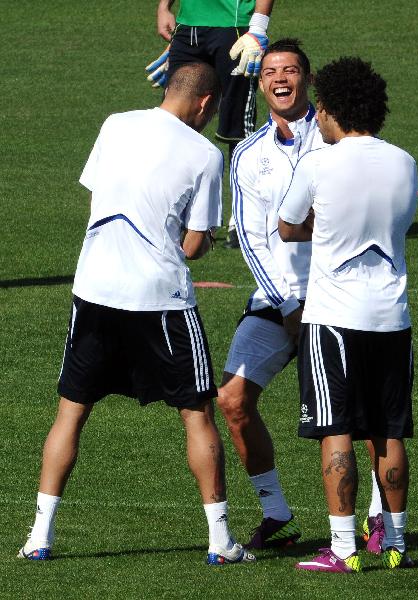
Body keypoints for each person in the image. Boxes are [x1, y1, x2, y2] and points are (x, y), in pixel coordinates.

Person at [17, 62, 255, 567]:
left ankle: (40, 535)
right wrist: (201, 238)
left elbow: (98, 194)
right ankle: (219, 541)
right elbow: (193, 246)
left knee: (71, 411)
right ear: (207, 104)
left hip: (95, 289)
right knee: (197, 414)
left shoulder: (115, 124)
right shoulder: (206, 155)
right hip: (160, 300)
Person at [218, 39, 383, 551]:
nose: (280, 78)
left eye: (290, 69)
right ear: (260, 83)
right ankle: (277, 513)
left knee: (365, 411)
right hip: (278, 302)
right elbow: (250, 236)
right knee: (232, 400)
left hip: (340, 298)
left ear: (308, 81)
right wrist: (288, 306)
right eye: (270, 71)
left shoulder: (339, 140)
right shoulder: (248, 154)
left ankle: (379, 517)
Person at [278, 56, 418, 572]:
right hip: (392, 317)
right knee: (390, 429)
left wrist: (325, 224)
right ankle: (396, 542)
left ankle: (342, 548)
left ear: (331, 108)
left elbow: (288, 227)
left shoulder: (318, 162)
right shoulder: (405, 161)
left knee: (335, 429)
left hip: (334, 316)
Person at [146, 0, 275, 248]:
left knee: (237, 129)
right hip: (188, 29)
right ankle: (168, 210)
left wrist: (258, 27)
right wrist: (164, 8)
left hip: (234, 28)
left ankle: (242, 219)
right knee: (173, 122)